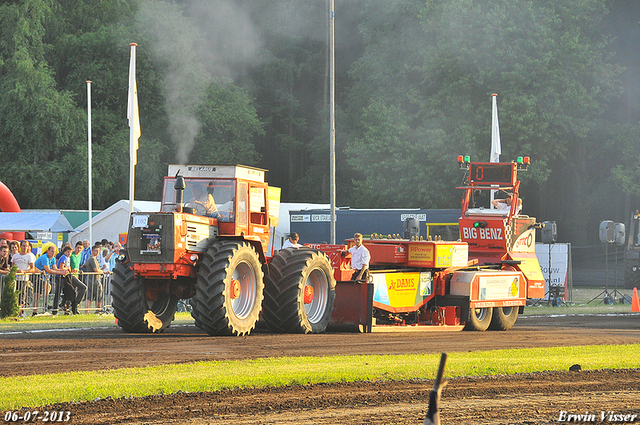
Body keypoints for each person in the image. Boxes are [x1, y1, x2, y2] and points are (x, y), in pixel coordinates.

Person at [34, 245, 69, 315]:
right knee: (37, 293)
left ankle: (45, 304)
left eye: (54, 252)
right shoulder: (44, 258)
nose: (53, 253)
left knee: (47, 287)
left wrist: (63, 270)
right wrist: (61, 272)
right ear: (48, 251)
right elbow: (49, 270)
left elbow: (55, 269)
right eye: (52, 251)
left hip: (43, 277)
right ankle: (36, 310)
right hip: (36, 275)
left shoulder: (53, 259)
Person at [56, 245, 87, 314]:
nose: (69, 253)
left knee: (71, 292)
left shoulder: (69, 258)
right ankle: (70, 306)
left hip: (71, 275)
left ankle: (71, 306)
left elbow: (69, 267)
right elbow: (61, 268)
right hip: (65, 277)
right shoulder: (64, 257)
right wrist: (68, 269)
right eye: (68, 252)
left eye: (70, 252)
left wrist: (75, 270)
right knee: (72, 291)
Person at [11, 240, 37, 314]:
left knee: (22, 296)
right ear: (20, 246)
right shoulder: (15, 256)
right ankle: (15, 311)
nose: (25, 247)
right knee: (14, 295)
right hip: (15, 279)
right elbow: (12, 266)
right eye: (23, 245)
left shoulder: (29, 256)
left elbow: (33, 269)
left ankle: (20, 312)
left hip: (23, 279)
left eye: (26, 246)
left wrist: (24, 271)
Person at [84, 244, 105, 313]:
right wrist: (102, 271)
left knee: (89, 295)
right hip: (95, 279)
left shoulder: (91, 258)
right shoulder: (92, 259)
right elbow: (96, 270)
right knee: (99, 294)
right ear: (92, 251)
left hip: (89, 279)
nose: (97, 252)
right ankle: (98, 310)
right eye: (96, 251)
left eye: (99, 251)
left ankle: (87, 311)